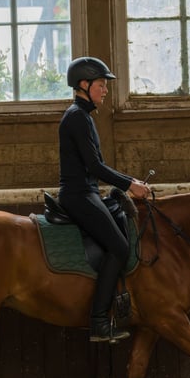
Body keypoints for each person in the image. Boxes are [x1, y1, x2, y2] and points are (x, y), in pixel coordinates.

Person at [58, 56, 151, 343]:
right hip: (78, 196)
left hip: (87, 192)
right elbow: (95, 167)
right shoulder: (77, 117)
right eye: (101, 85)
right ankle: (99, 320)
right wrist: (130, 184)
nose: (105, 91)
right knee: (120, 248)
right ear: (84, 85)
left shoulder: (83, 116)